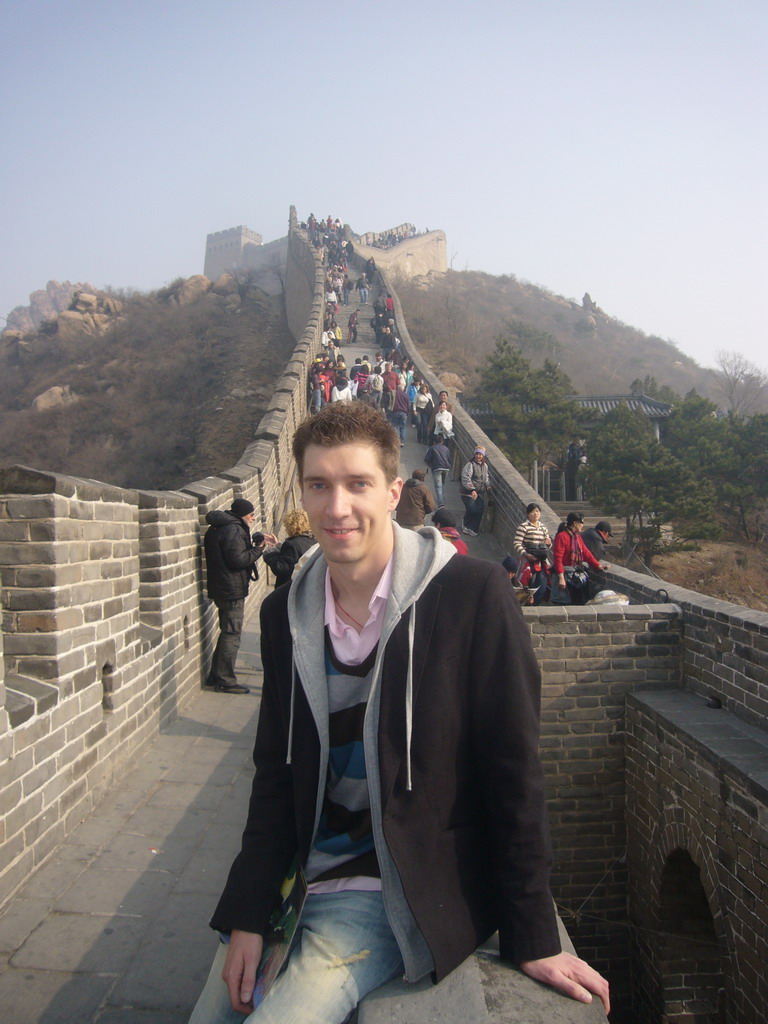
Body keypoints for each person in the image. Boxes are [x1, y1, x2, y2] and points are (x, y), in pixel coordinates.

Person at [189, 403, 609, 1023]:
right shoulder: (284, 619)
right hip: (299, 882)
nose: (336, 508)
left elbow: (513, 773)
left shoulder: (472, 597)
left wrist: (534, 932)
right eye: (318, 485)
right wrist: (249, 911)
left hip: (395, 886)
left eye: (357, 484)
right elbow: (275, 776)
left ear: (392, 491)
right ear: (300, 490)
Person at [203, 499, 278, 694]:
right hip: (231, 589)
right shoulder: (233, 530)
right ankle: (225, 680)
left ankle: (216, 675)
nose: (253, 517)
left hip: (221, 587)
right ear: (242, 514)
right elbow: (238, 560)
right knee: (232, 634)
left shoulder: (218, 527)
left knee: (227, 631)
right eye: (251, 514)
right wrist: (260, 548)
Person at [552, 512, 610, 606]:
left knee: (580, 601)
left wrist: (598, 565)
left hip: (576, 573)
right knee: (566, 602)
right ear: (575, 523)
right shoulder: (562, 537)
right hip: (566, 574)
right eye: (581, 523)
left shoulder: (577, 537)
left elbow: (586, 554)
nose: (582, 525)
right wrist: (561, 578)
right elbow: (557, 559)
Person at [262, 509, 316, 588]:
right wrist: (278, 545)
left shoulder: (292, 544)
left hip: (290, 588)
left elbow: (282, 568)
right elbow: (295, 554)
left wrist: (270, 554)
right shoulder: (313, 540)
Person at [460, 446, 491, 537]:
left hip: (479, 493)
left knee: (480, 508)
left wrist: (488, 487)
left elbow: (486, 478)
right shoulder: (470, 465)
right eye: (477, 454)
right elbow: (465, 478)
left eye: (480, 454)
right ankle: (466, 523)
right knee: (472, 509)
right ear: (474, 454)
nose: (478, 456)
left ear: (483, 455)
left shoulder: (485, 466)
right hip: (467, 492)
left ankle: (472, 529)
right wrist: (472, 489)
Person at [424, 436, 451, 507]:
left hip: (437, 468)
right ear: (442, 441)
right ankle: (441, 498)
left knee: (438, 486)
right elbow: (449, 458)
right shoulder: (446, 448)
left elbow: (426, 458)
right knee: (442, 484)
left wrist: (430, 464)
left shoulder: (432, 448)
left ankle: (441, 503)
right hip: (446, 468)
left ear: (434, 442)